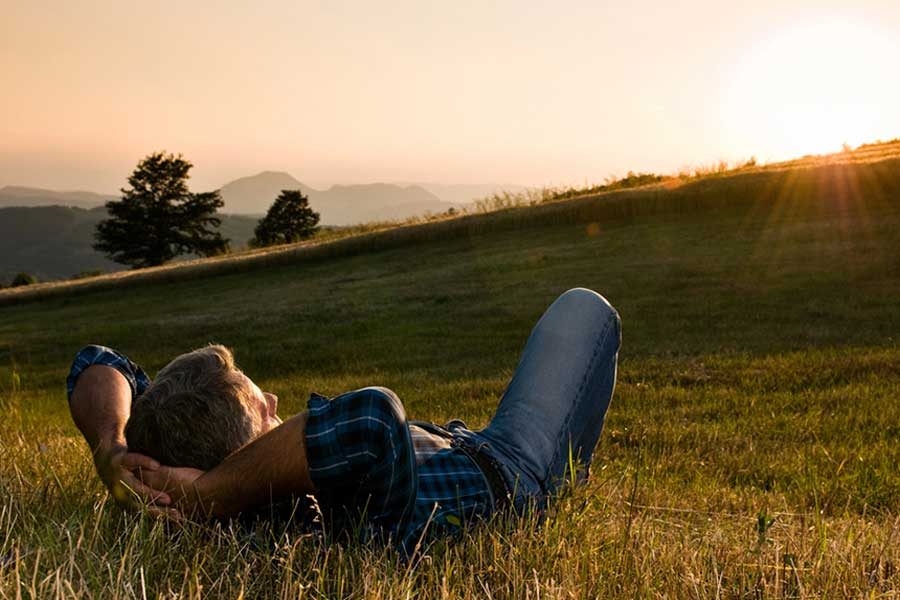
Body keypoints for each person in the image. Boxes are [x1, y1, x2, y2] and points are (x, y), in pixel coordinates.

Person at [67, 288, 621, 554]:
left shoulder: (168, 447)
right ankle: (565, 476)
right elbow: (374, 417)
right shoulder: (317, 508)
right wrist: (213, 493)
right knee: (584, 310)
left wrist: (111, 448)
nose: (279, 402)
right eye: (268, 409)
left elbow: (96, 361)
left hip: (454, 441)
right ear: (251, 449)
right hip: (511, 469)